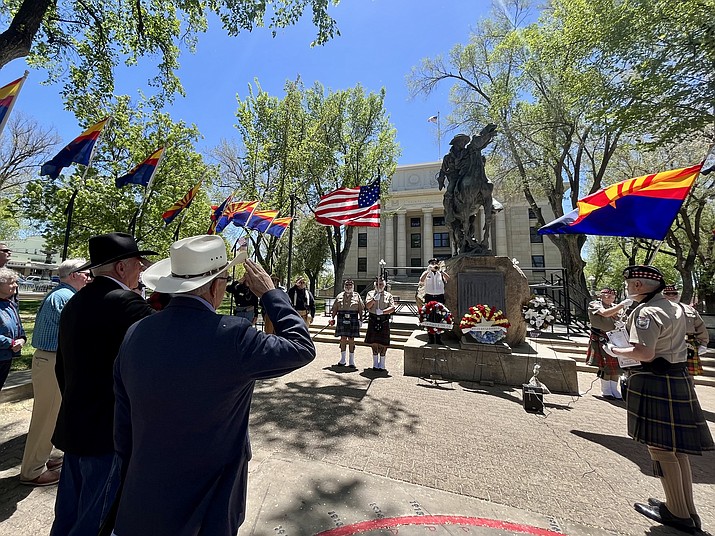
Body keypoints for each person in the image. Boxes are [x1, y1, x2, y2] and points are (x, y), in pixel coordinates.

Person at [112, 234, 315, 535]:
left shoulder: (135, 333)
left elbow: (122, 429)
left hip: (142, 500)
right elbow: (301, 346)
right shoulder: (233, 335)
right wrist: (271, 294)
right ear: (216, 286)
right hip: (210, 507)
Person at [51, 233, 157, 536]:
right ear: (122, 268)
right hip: (108, 432)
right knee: (95, 519)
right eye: (139, 262)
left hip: (76, 424)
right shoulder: (126, 303)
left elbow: (62, 366)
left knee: (69, 514)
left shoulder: (75, 301)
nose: (143, 268)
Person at [611, 266, 714, 533]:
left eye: (629, 283)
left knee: (661, 449)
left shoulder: (647, 312)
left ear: (638, 286)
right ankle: (685, 509)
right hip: (675, 377)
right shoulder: (675, 308)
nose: (626, 288)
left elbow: (643, 352)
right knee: (677, 450)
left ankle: (678, 514)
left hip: (655, 378)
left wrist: (614, 349)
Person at [19, 259, 90, 487]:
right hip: (52, 360)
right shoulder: (65, 297)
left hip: (51, 360)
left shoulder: (60, 295)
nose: (89, 277)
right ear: (72, 275)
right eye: (85, 273)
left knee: (54, 414)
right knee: (46, 417)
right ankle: (32, 471)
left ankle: (43, 458)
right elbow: (77, 332)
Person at [586, 287, 631, 399]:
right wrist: (621, 305)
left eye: (611, 296)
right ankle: (606, 390)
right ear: (600, 296)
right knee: (605, 365)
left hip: (615, 337)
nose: (609, 297)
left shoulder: (616, 307)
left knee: (616, 364)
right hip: (600, 337)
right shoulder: (595, 304)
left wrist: (622, 322)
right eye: (606, 295)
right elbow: (605, 313)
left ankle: (614, 390)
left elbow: (624, 320)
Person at [662, 284, 710, 376]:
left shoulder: (689, 309)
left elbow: (700, 326)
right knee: (666, 372)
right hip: (665, 344)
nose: (671, 296)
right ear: (663, 295)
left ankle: (690, 389)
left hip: (688, 344)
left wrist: (703, 344)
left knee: (689, 374)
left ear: (678, 294)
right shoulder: (655, 310)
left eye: (674, 293)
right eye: (668, 293)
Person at [0, 267, 25, 391]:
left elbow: (19, 328)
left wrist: (22, 340)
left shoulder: (10, 304)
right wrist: (11, 343)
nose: (15, 285)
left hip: (6, 357)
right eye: (11, 282)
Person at [330, 279, 364, 368]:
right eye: (347, 285)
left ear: (353, 286)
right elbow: (334, 309)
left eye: (350, 285)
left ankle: (351, 360)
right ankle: (342, 359)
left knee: (351, 339)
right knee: (343, 338)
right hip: (341, 317)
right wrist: (332, 318)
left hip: (353, 318)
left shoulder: (357, 296)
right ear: (344, 286)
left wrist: (361, 319)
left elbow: (361, 309)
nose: (348, 286)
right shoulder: (339, 296)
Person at [364, 277, 396, 372]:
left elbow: (392, 308)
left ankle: (382, 364)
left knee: (383, 344)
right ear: (375, 285)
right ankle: (375, 364)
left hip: (384, 320)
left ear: (384, 285)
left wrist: (382, 312)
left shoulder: (388, 295)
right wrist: (374, 299)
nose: (379, 286)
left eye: (381, 284)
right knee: (374, 343)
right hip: (373, 319)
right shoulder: (370, 294)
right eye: (377, 284)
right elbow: (367, 306)